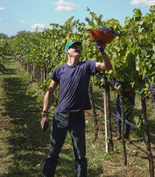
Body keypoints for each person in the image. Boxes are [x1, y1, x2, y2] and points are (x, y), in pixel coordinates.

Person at [41, 40, 112, 177]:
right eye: (74, 47)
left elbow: (107, 67)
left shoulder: (86, 66)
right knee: (53, 153)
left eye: (78, 47)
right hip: (61, 116)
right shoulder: (59, 70)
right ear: (67, 51)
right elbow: (49, 92)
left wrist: (102, 52)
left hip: (78, 117)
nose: (77, 48)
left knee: (80, 155)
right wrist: (45, 114)